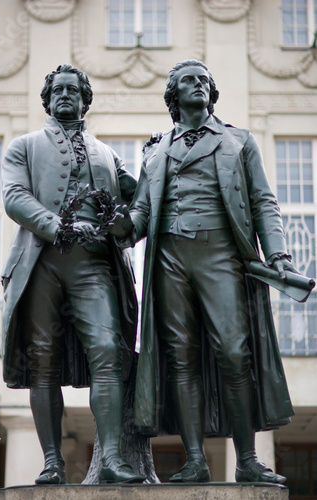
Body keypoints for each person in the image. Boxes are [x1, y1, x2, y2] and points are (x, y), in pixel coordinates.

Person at [124, 59, 298, 483]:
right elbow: (142, 211)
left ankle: (247, 461)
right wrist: (120, 227)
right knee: (180, 358)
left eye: (205, 80)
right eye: (189, 80)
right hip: (169, 259)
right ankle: (196, 460)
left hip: (221, 253)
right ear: (173, 94)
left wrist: (277, 254)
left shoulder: (238, 140)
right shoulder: (156, 148)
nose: (199, 85)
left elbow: (262, 201)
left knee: (235, 354)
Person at [1, 64, 145, 485]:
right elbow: (13, 197)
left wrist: (123, 224)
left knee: (107, 351)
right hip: (40, 262)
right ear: (47, 100)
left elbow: (138, 208)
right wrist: (57, 225)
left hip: (94, 265)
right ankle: (52, 462)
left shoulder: (108, 154)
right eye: (58, 90)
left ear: (85, 100)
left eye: (73, 90)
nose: (65, 95)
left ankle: (114, 460)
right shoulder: (23, 146)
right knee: (43, 361)